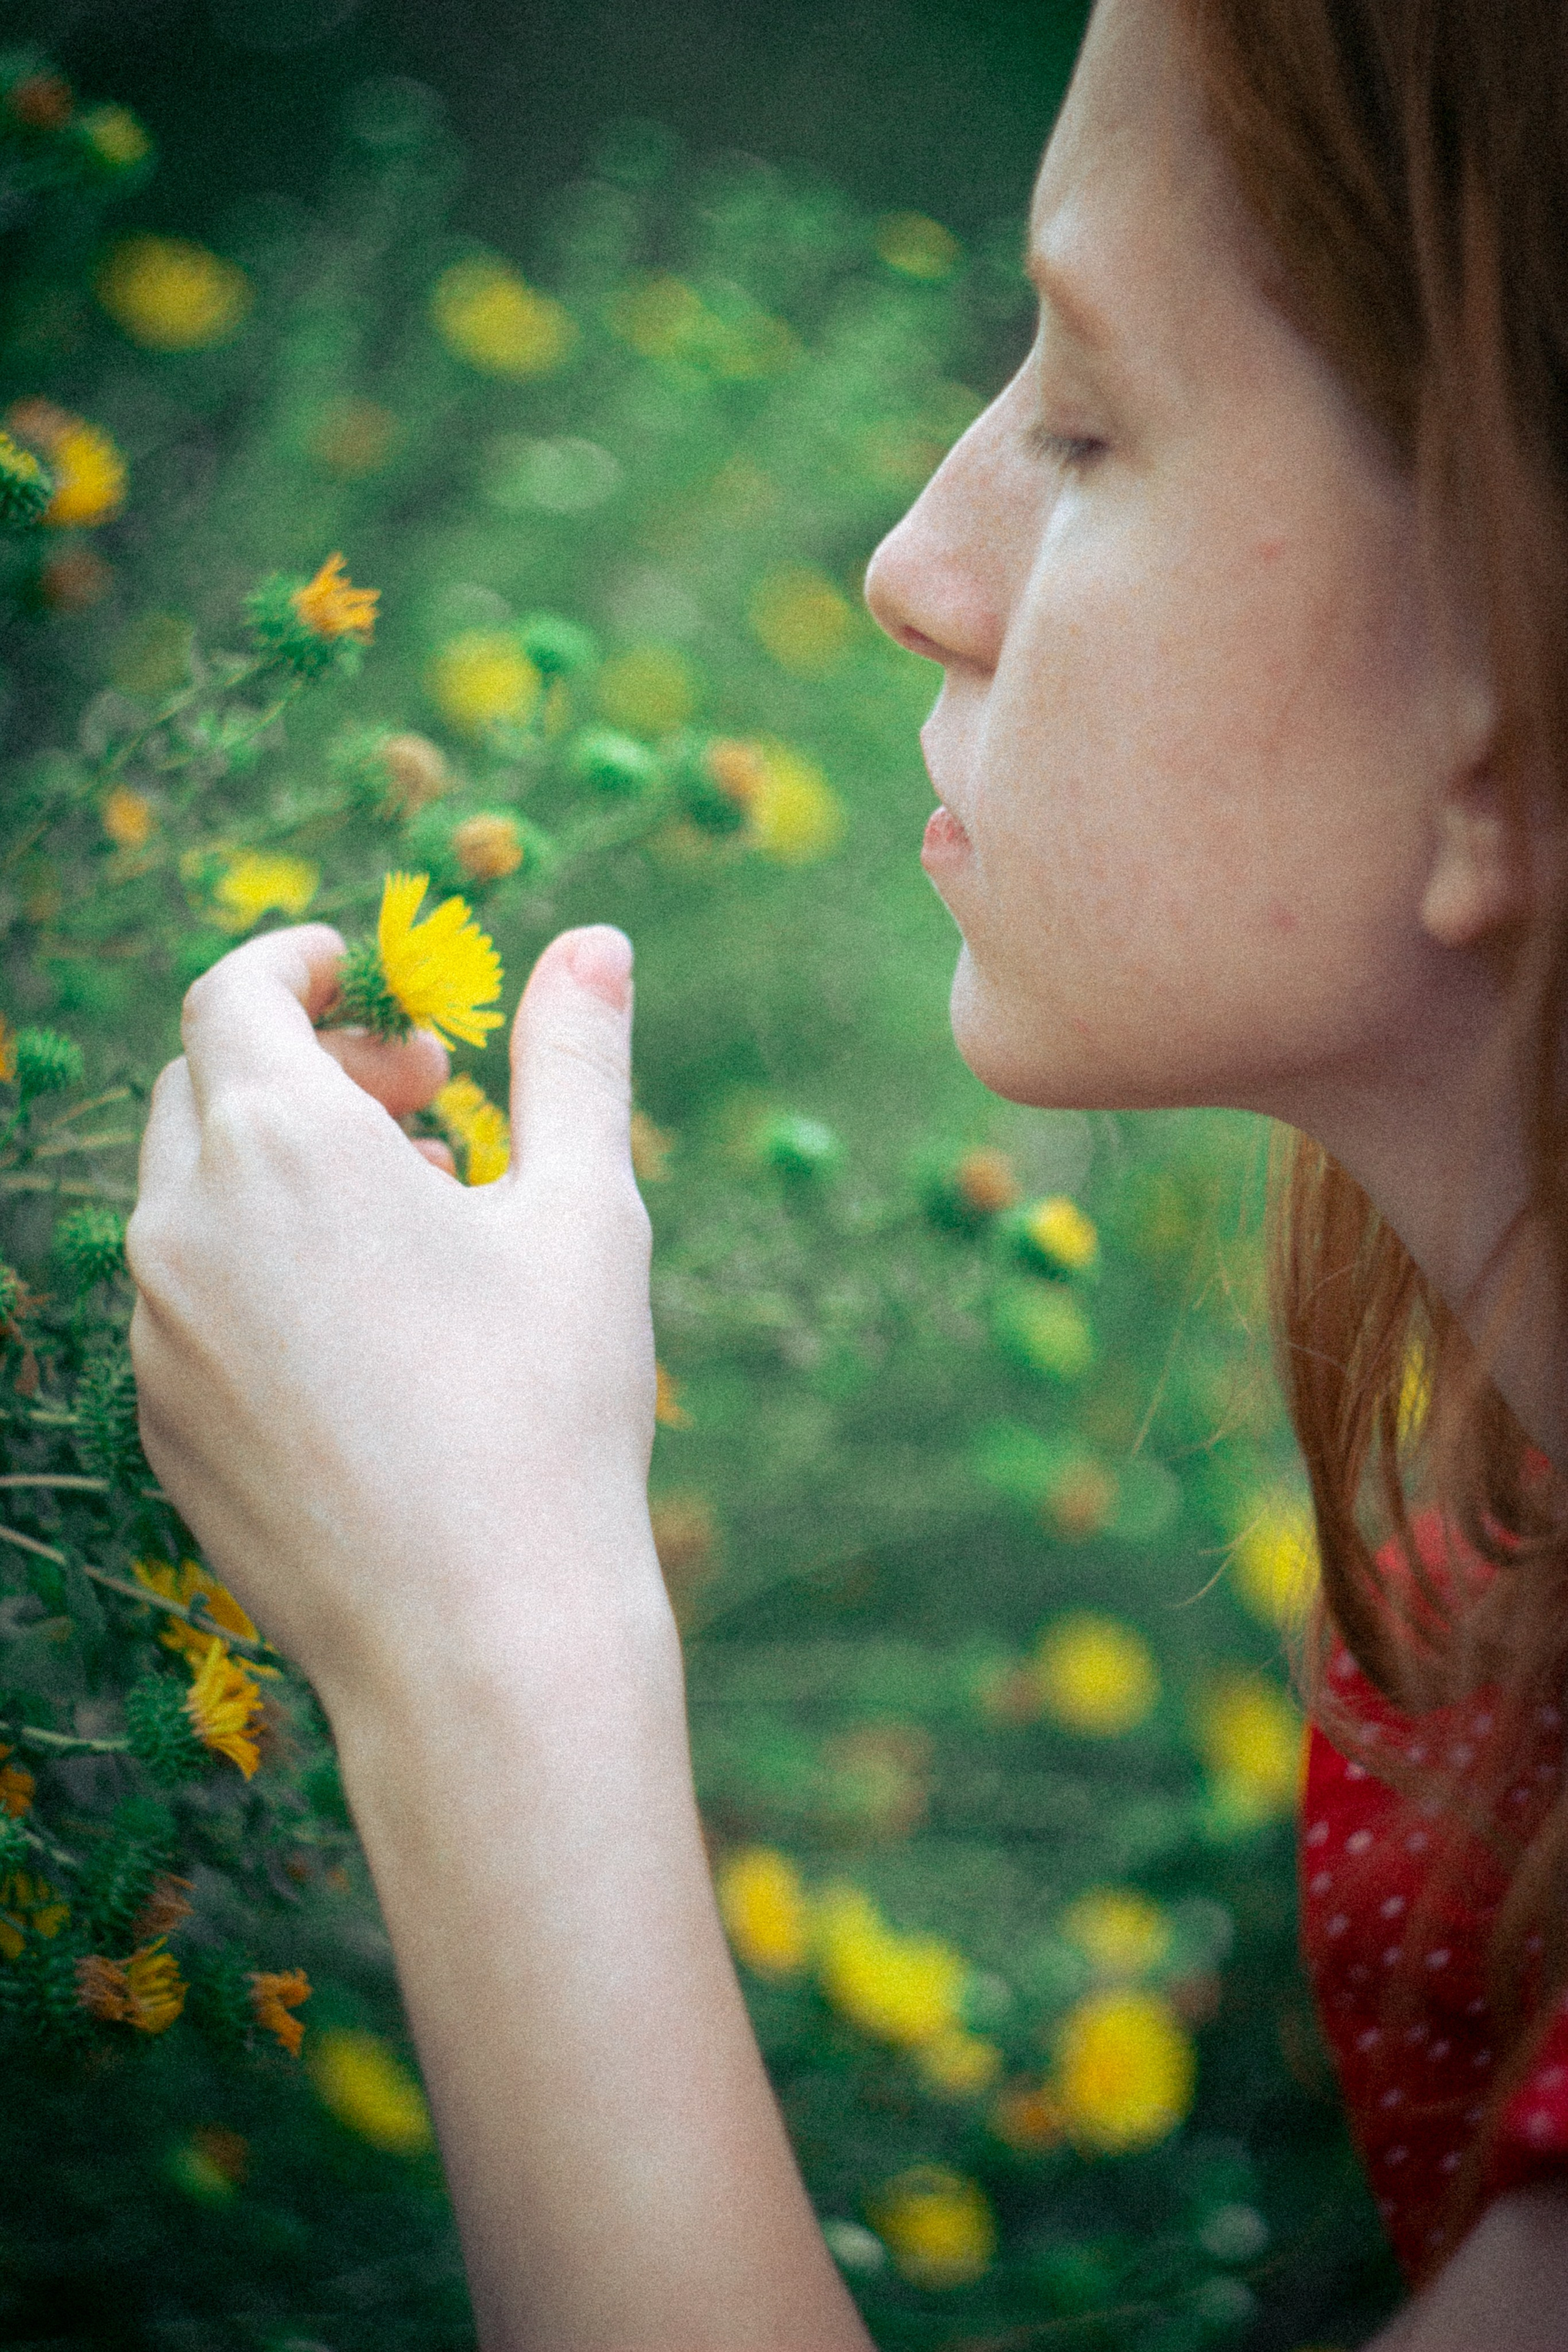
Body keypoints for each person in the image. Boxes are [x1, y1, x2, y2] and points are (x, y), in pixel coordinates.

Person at [124, 0, 1568, 2341]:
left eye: (1093, 421)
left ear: (1519, 664)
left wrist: (485, 1638)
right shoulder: (1481, 1565)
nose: (916, 557)